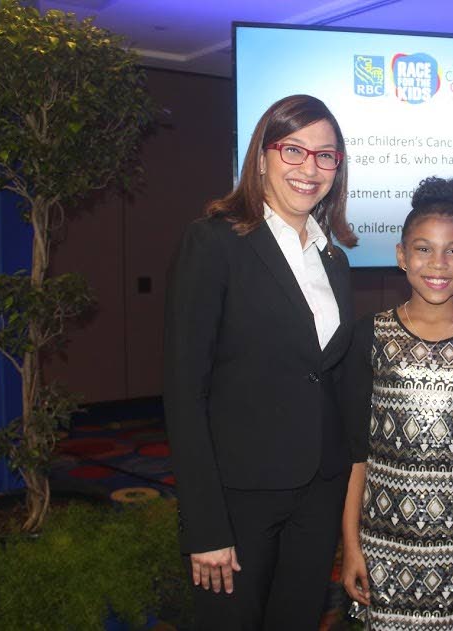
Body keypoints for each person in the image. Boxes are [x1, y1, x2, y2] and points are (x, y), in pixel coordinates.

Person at [163, 94, 358, 630]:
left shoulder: (334, 257)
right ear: (263, 156)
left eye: (326, 156)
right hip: (237, 496)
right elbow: (185, 391)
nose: (309, 168)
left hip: (317, 492)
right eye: (293, 149)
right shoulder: (214, 242)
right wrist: (204, 527)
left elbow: (327, 376)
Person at [340, 176, 453, 630]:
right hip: (384, 540)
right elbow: (354, 453)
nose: (438, 263)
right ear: (401, 257)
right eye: (423, 249)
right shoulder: (370, 335)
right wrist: (351, 545)